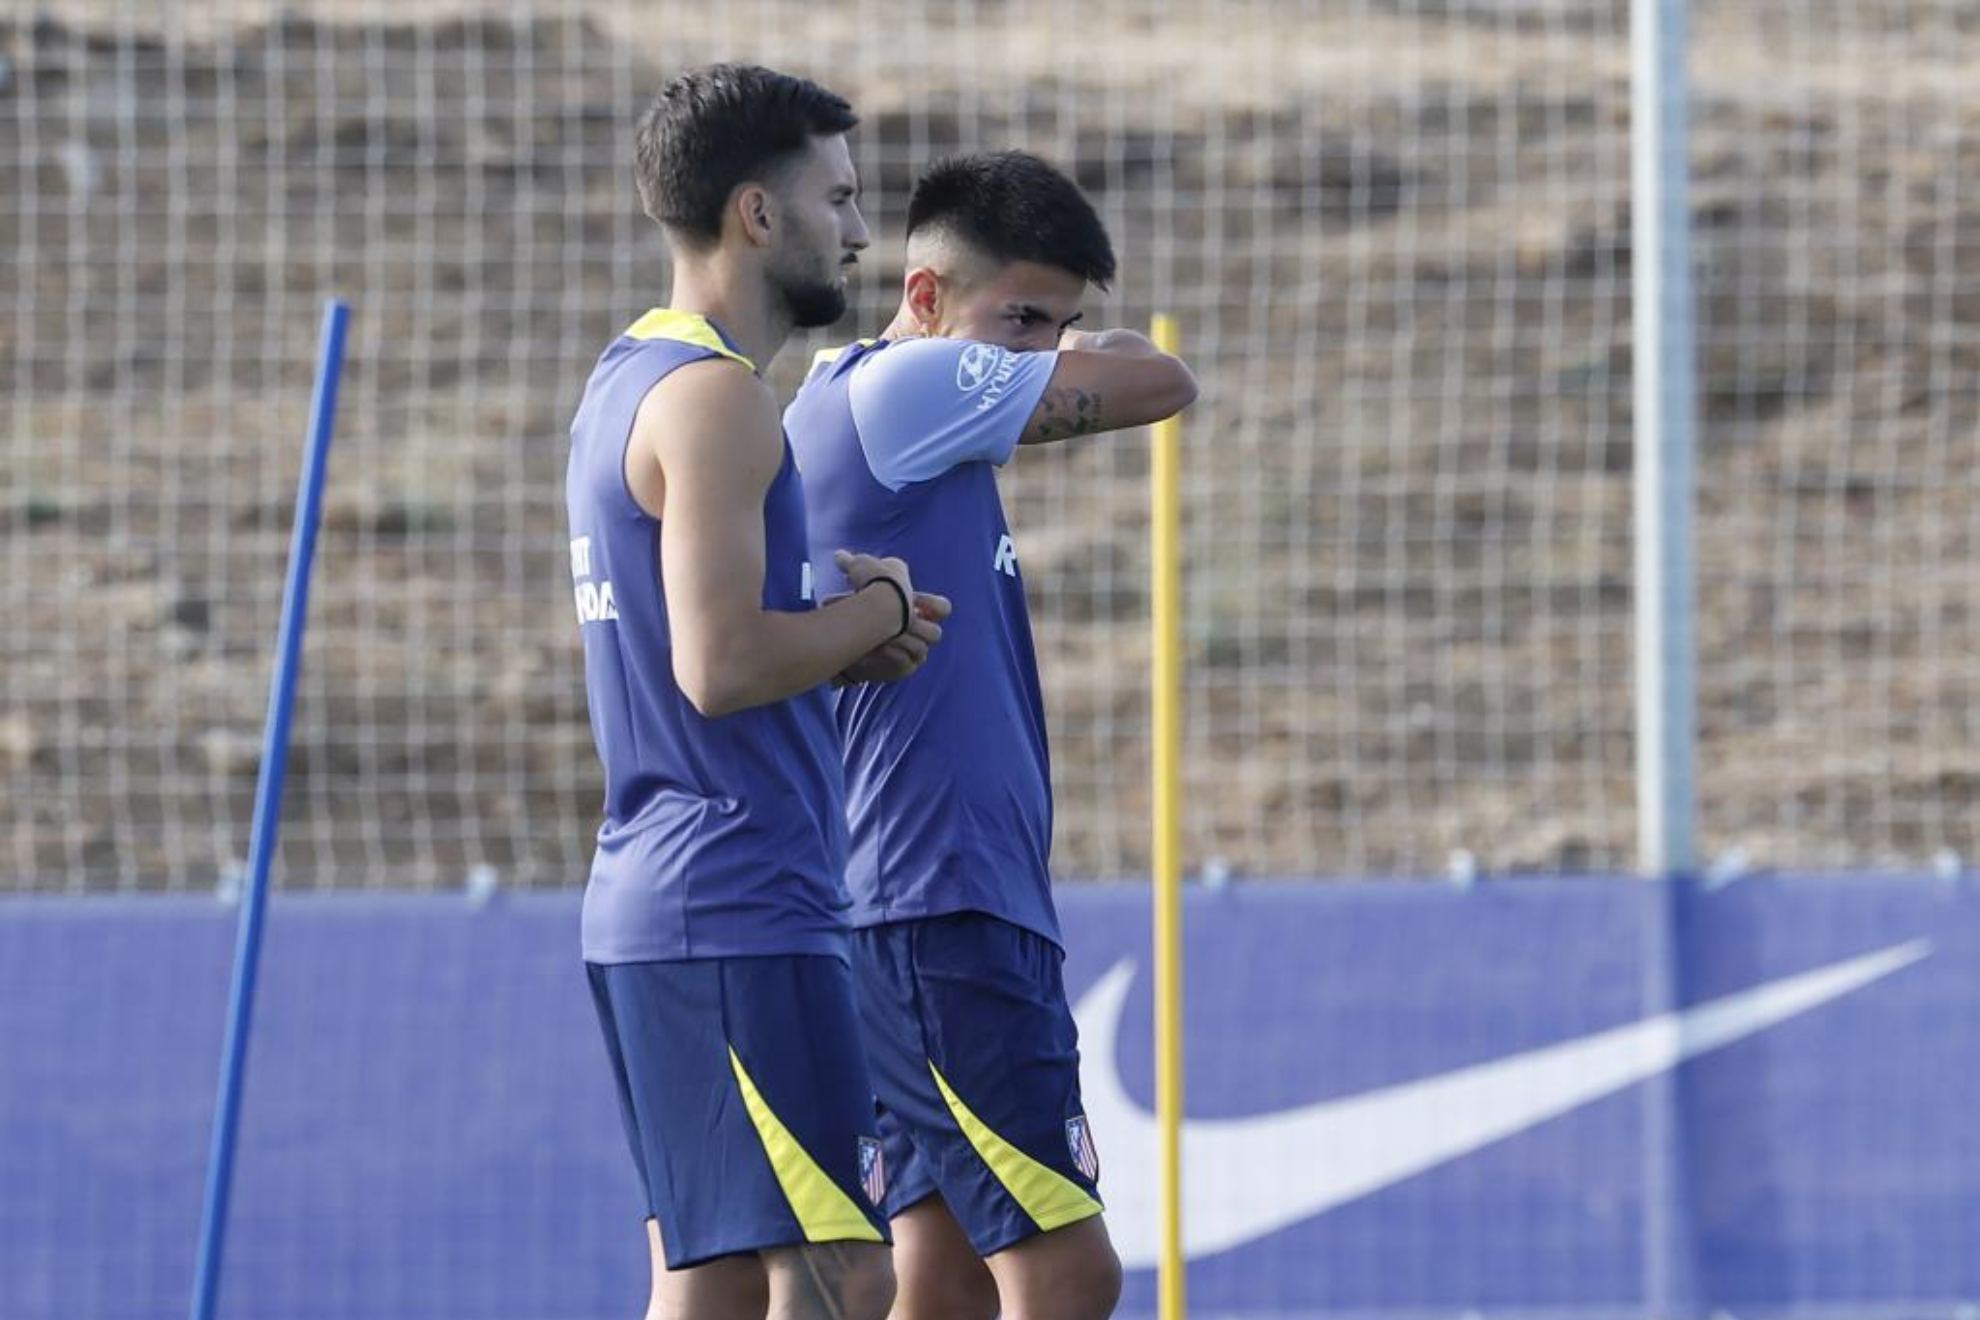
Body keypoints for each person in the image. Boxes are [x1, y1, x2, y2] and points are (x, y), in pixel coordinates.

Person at [785, 150, 1198, 1320]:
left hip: (921, 901)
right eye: (1017, 318)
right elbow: (1163, 380)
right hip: (940, 906)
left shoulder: (888, 403)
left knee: (944, 1278)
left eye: (1060, 326)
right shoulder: (908, 396)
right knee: (1069, 1275)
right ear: (923, 298)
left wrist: (1040, 341)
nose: (1035, 353)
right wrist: (1086, 357)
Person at [565, 64, 948, 1320]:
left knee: (712, 1279)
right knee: (845, 1268)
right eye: (837, 198)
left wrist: (835, 616)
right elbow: (719, 664)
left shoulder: (628, 378)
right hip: (739, 904)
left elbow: (706, 618)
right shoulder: (722, 397)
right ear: (756, 215)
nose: (858, 230)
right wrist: (877, 613)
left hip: (662, 904)